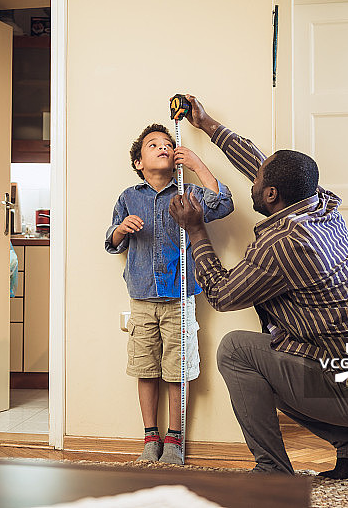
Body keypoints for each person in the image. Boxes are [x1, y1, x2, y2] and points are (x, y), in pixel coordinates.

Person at [168, 95, 348, 478]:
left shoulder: (285, 243)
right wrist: (208, 124)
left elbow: (221, 295)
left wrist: (196, 230)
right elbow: (263, 165)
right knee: (274, 355)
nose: (253, 181)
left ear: (271, 195)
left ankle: (272, 471)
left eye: (258, 181)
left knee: (236, 351)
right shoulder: (319, 205)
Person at [106, 123, 234, 464]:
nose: (163, 147)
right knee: (145, 369)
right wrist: (121, 229)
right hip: (142, 298)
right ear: (138, 162)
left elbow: (224, 204)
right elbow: (111, 242)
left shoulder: (188, 194)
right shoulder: (128, 197)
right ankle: (150, 438)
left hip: (180, 298)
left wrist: (197, 164)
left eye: (167, 143)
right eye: (153, 145)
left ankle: (175, 440)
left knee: (178, 370)